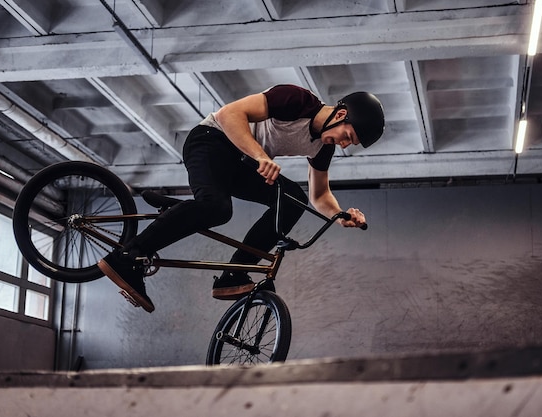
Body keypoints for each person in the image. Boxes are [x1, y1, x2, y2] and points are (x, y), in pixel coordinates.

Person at [98, 84, 385, 313]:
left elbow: (319, 195)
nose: (345, 144)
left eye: (350, 143)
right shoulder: (297, 100)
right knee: (217, 208)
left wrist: (340, 216)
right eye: (347, 136)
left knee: (292, 198)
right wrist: (260, 156)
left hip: (241, 162)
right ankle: (128, 255)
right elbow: (228, 114)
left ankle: (234, 274)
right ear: (340, 114)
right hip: (211, 140)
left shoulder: (322, 147)